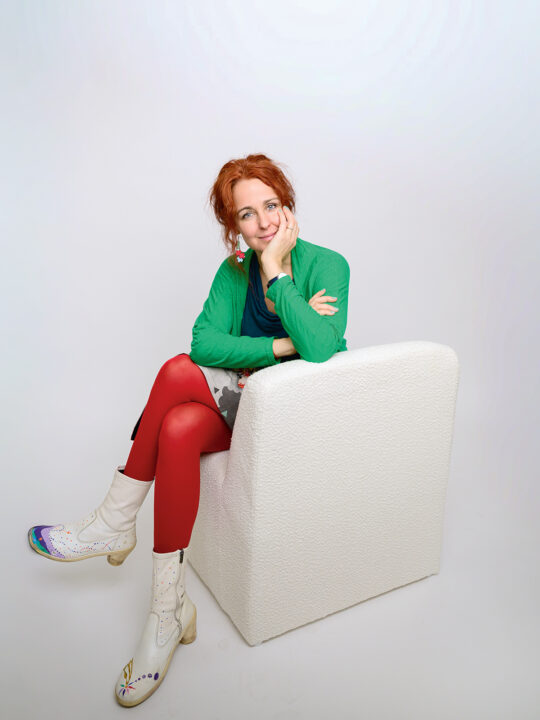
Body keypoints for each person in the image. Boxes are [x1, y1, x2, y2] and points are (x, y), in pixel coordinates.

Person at [27, 153, 351, 707]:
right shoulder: (232, 272)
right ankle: (167, 613)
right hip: (234, 406)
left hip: (284, 415)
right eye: (247, 215)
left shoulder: (328, 266)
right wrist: (283, 342)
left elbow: (321, 350)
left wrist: (278, 275)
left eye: (272, 205)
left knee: (176, 373)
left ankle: (114, 521)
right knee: (177, 426)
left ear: (288, 205)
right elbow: (205, 343)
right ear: (234, 226)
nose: (264, 222)